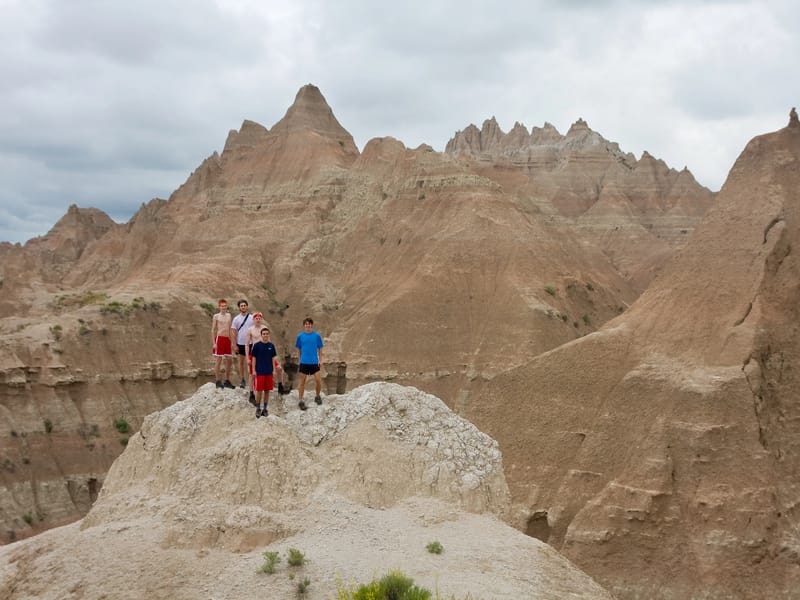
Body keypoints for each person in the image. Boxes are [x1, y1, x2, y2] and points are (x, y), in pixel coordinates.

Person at [295, 317, 323, 410]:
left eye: (310, 324)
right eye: (306, 324)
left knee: (318, 380)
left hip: (314, 362)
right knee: (302, 382)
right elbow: (298, 348)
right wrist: (299, 360)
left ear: (312, 325)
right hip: (304, 362)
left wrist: (320, 359)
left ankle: (317, 396)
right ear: (304, 325)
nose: (308, 325)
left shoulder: (316, 336)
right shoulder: (300, 336)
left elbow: (320, 348)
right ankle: (301, 400)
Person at [250, 327, 278, 418]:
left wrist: (274, 370)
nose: (265, 335)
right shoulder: (257, 346)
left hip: (269, 371)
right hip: (260, 371)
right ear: (261, 335)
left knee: (267, 391)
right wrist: (253, 370)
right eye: (264, 334)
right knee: (259, 391)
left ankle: (265, 409)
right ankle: (258, 408)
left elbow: (273, 359)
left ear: (268, 335)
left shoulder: (271, 346)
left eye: (267, 334)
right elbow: (253, 358)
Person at [211, 299, 235, 389]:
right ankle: (217, 380)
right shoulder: (216, 316)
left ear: (226, 306)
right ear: (219, 307)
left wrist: (232, 342)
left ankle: (227, 380)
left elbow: (230, 329)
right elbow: (213, 329)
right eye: (222, 306)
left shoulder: (229, 315)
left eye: (225, 306)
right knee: (219, 359)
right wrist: (214, 343)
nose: (223, 307)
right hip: (220, 338)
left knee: (229, 359)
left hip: (227, 339)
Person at [244, 312, 267, 404]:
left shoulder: (265, 329)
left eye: (259, 318)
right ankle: (251, 393)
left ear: (261, 319)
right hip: (254, 354)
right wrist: (247, 358)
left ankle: (261, 392)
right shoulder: (250, 330)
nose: (258, 320)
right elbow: (246, 344)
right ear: (253, 320)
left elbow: (268, 341)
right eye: (256, 318)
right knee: (252, 374)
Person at [230, 299, 252, 389]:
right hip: (240, 343)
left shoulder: (252, 317)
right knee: (241, 362)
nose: (243, 307)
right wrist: (234, 344)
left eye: (244, 305)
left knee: (252, 362)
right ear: (239, 307)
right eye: (241, 306)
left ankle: (252, 379)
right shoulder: (236, 319)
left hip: (251, 343)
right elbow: (233, 332)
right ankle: (242, 379)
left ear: (247, 306)